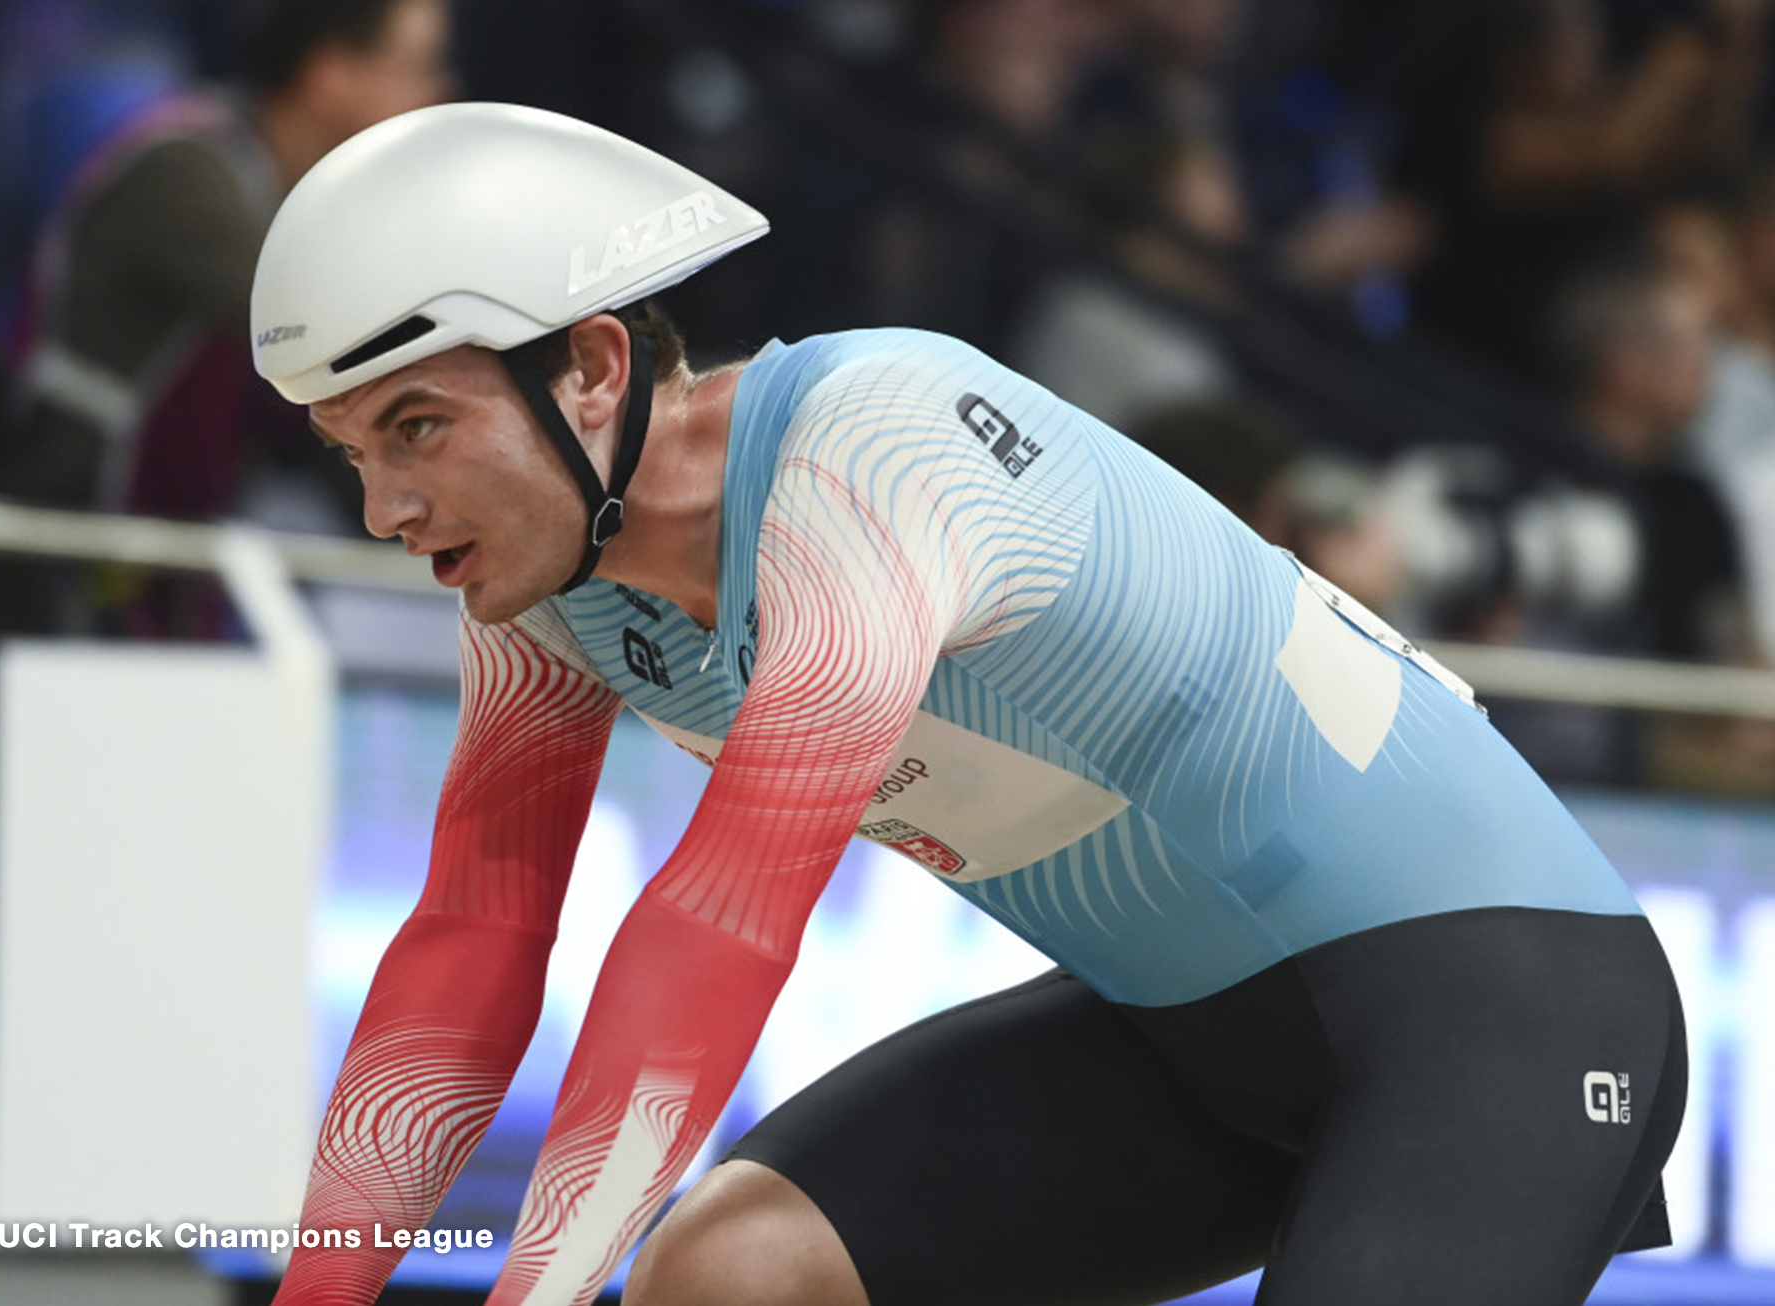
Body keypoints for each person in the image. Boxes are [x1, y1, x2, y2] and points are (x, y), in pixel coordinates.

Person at [250, 104, 1686, 1306]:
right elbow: (471, 942)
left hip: (1503, 1008)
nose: (384, 507)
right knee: (731, 1275)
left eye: (417, 429)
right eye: (349, 451)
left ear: (593, 369)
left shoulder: (872, 452)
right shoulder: (549, 584)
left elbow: (722, 920)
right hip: (1190, 1042)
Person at [0, 0, 452, 634]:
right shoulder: (189, 173)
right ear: (332, 73)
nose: (440, 94)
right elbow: (333, 349)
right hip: (68, 564)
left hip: (162, 564)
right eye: (418, 67)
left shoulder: (279, 193)